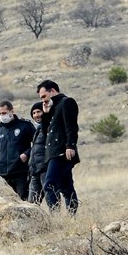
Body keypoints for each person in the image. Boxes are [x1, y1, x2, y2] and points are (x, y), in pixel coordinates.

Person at [37, 79, 80, 214]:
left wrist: (70, 145)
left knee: (49, 184)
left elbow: (71, 126)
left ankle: (55, 215)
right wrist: (46, 114)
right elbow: (45, 132)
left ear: (53, 91)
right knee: (66, 187)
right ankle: (72, 217)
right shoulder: (52, 108)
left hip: (62, 151)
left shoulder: (66, 102)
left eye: (44, 96)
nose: (42, 100)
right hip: (53, 153)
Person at [0, 100, 35, 201]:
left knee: (22, 201)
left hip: (20, 173)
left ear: (11, 111)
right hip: (2, 175)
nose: (2, 116)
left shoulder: (25, 126)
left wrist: (26, 154)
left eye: (4, 113)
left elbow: (38, 144)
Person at [27, 101, 48, 204]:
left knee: (51, 198)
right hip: (35, 171)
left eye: (39, 111)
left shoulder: (48, 128)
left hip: (45, 169)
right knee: (32, 203)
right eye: (34, 113)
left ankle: (57, 219)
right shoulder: (37, 130)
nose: (36, 115)